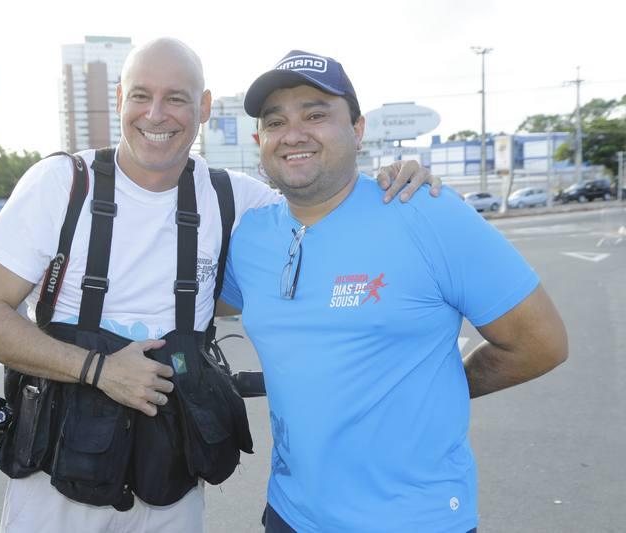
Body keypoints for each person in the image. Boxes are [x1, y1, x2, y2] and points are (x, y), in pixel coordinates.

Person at [0, 38, 439, 533]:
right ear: (120, 98)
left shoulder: (236, 199)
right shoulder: (62, 183)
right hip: (58, 480)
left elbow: (328, 206)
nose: (156, 114)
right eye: (141, 95)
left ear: (204, 107)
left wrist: (390, 181)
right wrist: (99, 370)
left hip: (170, 479)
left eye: (176, 98)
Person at [219, 50, 569, 533]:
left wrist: (445, 390)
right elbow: (195, 307)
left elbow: (541, 343)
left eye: (315, 115)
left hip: (414, 519)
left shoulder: (425, 211)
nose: (293, 133)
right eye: (275, 122)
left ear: (358, 129)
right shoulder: (251, 236)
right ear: (260, 141)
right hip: (290, 513)